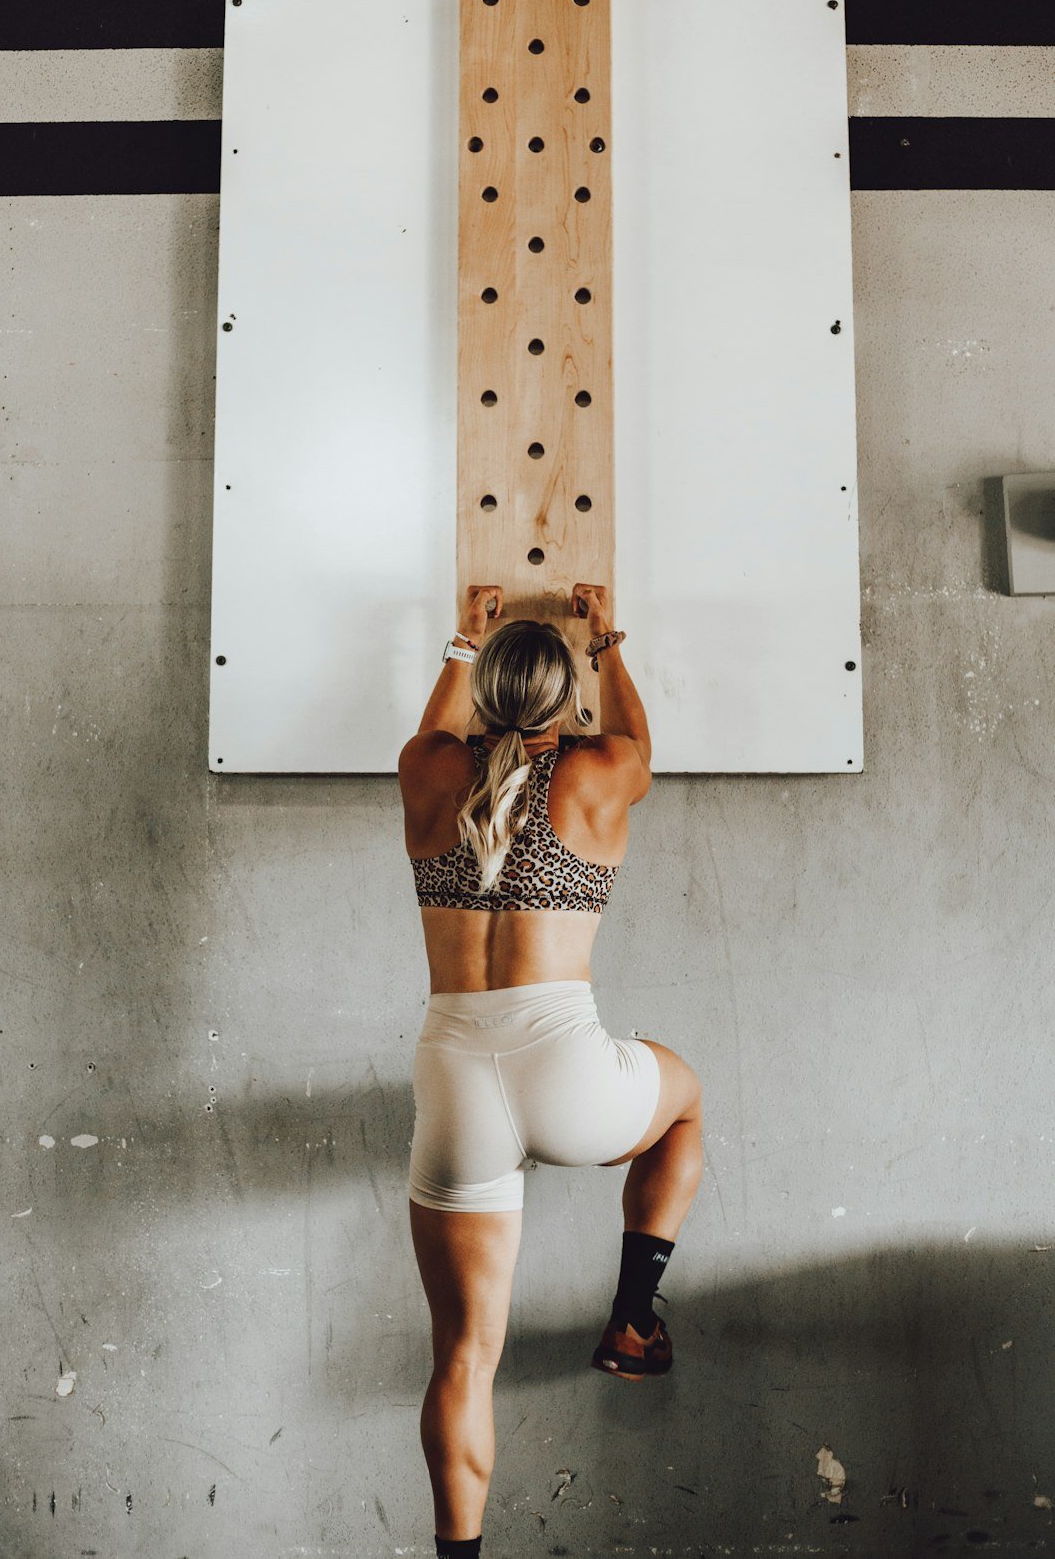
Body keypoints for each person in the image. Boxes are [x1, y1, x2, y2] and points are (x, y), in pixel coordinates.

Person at [397, 581, 705, 1559]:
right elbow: (639, 742)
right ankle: (632, 1320)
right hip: (569, 1072)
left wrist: (463, 639)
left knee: (462, 1359)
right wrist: (606, 641)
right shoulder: (602, 769)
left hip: (455, 1077)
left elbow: (435, 729)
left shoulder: (427, 768)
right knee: (684, 1104)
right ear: (570, 697)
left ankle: (458, 1552)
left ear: (481, 688)